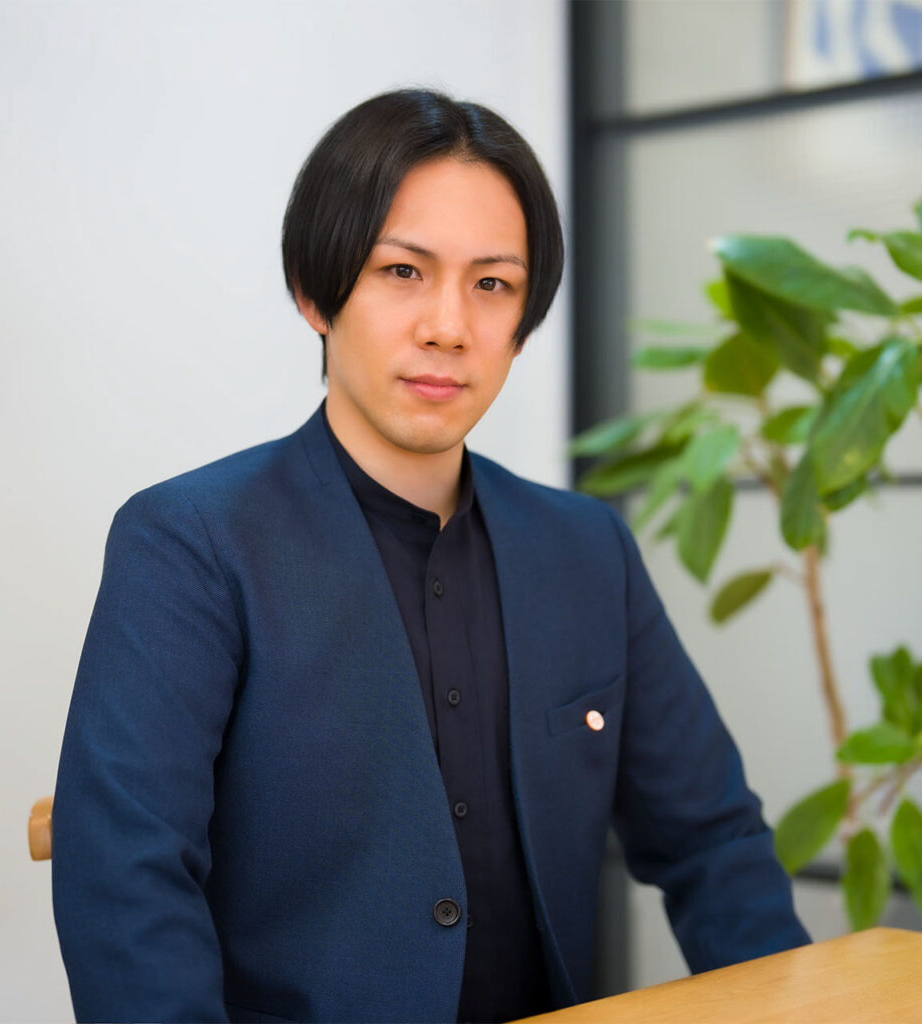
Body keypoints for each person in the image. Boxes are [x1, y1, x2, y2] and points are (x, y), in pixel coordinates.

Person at [52, 89, 809, 1024]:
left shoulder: (586, 550)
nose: (449, 326)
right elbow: (125, 883)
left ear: (524, 319)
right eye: (403, 271)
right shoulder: (191, 542)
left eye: (492, 285)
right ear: (314, 291)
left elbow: (711, 841)